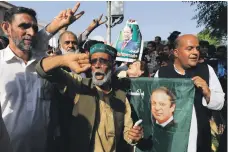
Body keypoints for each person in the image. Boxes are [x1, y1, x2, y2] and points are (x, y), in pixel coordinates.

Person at [0, 3, 84, 152]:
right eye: (24, 26)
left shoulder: (44, 62)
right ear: (6, 28)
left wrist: (57, 25)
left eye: (34, 28)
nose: (31, 32)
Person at [36, 43, 143, 152]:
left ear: (113, 65)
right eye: (93, 61)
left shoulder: (121, 96)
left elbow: (128, 134)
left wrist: (134, 136)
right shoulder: (80, 85)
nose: (97, 65)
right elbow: (42, 69)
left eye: (103, 61)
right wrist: (64, 59)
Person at [154, 34, 225, 152]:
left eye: (197, 48)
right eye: (190, 48)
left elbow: (220, 103)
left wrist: (207, 92)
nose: (195, 52)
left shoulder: (206, 70)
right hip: (172, 142)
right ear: (176, 52)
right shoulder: (162, 74)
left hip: (200, 141)